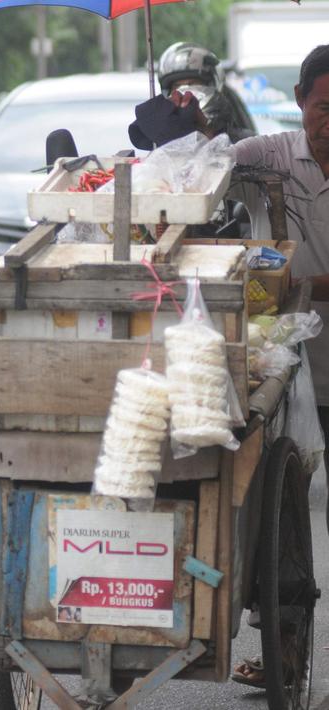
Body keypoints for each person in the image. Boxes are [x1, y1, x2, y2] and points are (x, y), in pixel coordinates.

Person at [211, 44, 329, 688]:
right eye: (323, 108)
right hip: (283, 368)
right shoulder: (272, 155)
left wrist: (298, 285)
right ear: (301, 105)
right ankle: (283, 644)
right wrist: (183, 137)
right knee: (278, 510)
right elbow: (207, 171)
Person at [158, 42, 254, 144]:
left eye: (194, 84)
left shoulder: (243, 143)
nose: (186, 92)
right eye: (178, 86)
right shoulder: (161, 143)